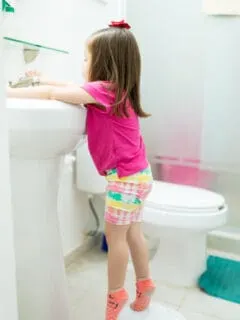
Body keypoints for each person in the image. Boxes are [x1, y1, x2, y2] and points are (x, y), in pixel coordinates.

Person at [7, 20, 156, 320]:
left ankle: (116, 295)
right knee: (134, 234)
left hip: (124, 180)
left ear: (103, 62)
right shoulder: (117, 89)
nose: (84, 63)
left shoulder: (103, 91)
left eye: (87, 58)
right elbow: (70, 88)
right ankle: (145, 283)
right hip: (139, 175)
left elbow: (54, 95)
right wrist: (43, 79)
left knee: (116, 239)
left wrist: (8, 94)